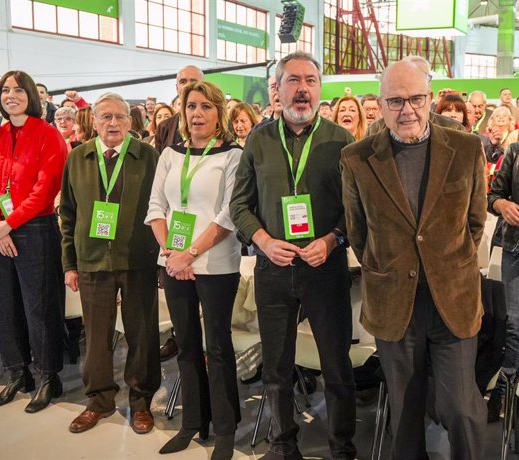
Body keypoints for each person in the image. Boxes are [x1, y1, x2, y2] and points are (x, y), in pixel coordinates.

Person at [341, 59, 487, 460]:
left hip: (453, 301)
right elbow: (358, 233)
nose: (407, 109)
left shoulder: (466, 147)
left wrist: (447, 263)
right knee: (404, 413)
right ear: (382, 104)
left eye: (416, 98)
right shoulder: (357, 158)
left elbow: (475, 222)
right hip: (393, 304)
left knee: (462, 407)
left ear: (430, 98)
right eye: (395, 100)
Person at [230, 51, 357, 460]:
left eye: (311, 80)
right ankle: (282, 445)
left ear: (320, 89)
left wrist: (334, 239)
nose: (302, 89)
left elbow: (357, 211)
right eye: (293, 80)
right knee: (276, 368)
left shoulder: (342, 141)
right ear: (278, 89)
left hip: (325, 268)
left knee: (336, 367)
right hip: (274, 267)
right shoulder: (259, 139)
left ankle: (342, 447)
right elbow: (239, 205)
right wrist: (263, 240)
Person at [146, 80, 242, 460]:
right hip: (172, 261)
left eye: (205, 107)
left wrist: (191, 253)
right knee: (185, 343)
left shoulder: (232, 155)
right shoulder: (170, 154)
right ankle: (192, 423)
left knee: (217, 347)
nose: (197, 114)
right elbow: (156, 208)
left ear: (219, 114)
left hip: (216, 264)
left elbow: (229, 214)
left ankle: (225, 428)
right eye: (191, 107)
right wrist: (172, 252)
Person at [60, 92, 161, 435]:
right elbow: (68, 215)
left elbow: (162, 208)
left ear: (131, 121)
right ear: (94, 121)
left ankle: (141, 401)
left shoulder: (148, 157)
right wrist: (69, 263)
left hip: (138, 260)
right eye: (105, 117)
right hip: (91, 261)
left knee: (141, 334)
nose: (113, 123)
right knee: (97, 336)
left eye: (119, 116)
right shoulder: (78, 158)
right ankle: (99, 401)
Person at [0, 70, 67, 413]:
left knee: (39, 309)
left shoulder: (48, 134)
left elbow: (46, 187)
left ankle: (47, 375)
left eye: (17, 89)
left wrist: (9, 223)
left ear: (31, 94)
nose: (10, 94)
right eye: (4, 89)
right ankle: (16, 372)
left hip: (35, 229)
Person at [486, 110, 519, 421]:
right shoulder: (516, 153)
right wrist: (502, 204)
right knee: (514, 325)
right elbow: (493, 195)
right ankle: (504, 394)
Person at [155, 65, 204, 152]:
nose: (188, 86)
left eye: (193, 81)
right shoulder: (163, 127)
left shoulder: (218, 124)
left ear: (204, 86)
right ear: (177, 88)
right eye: (183, 82)